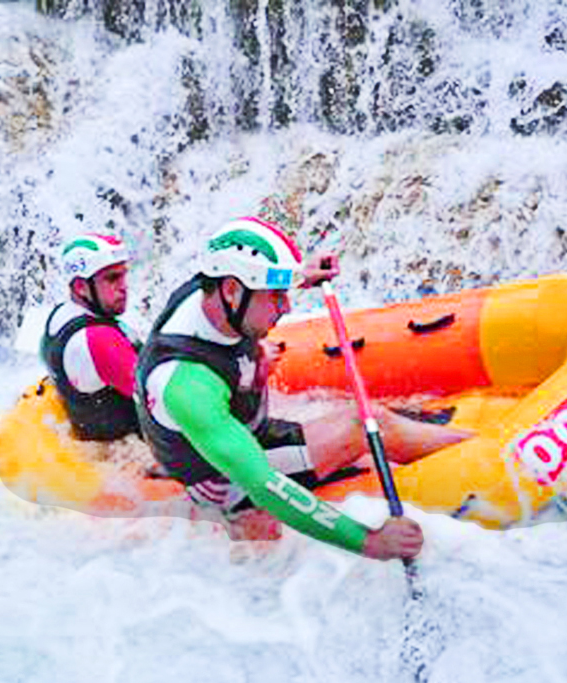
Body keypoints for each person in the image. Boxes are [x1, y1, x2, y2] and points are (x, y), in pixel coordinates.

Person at [135, 217, 473, 561]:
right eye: (276, 296)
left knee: (279, 367)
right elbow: (262, 483)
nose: (287, 307)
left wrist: (302, 275)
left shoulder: (212, 291)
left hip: (242, 430)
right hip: (227, 480)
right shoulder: (185, 383)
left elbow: (253, 287)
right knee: (365, 424)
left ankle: (461, 449)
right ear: (233, 291)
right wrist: (370, 542)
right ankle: (480, 450)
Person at [41, 233, 141, 441]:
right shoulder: (99, 340)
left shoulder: (59, 315)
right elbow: (165, 402)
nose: (124, 287)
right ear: (80, 287)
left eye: (124, 275)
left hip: (89, 428)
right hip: (124, 450)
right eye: (112, 278)